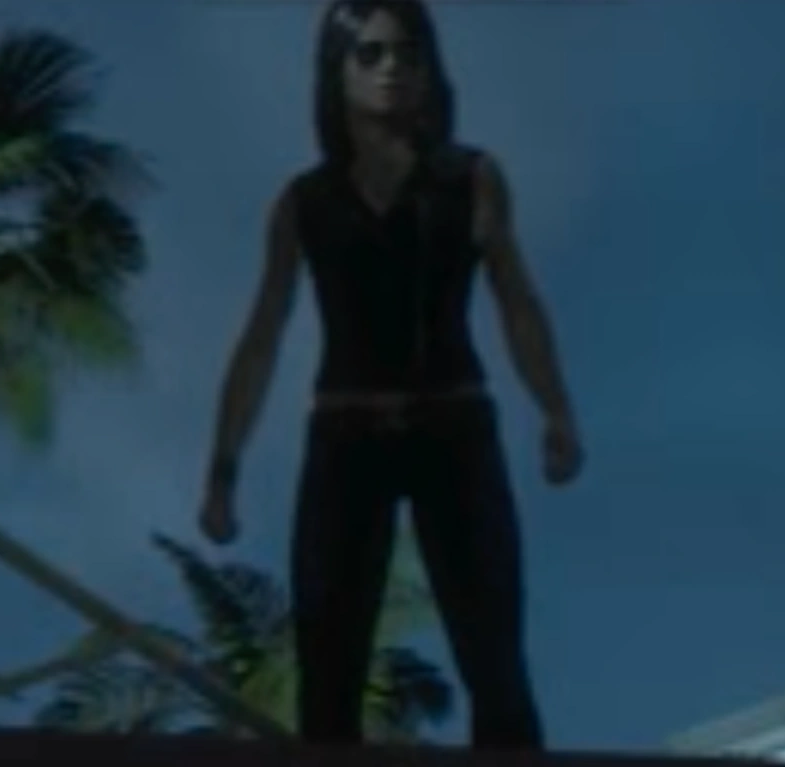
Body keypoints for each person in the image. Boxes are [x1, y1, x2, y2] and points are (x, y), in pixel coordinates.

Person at [198, 0, 584, 749]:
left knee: (495, 665)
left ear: (430, 68)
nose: (391, 69)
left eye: (407, 53)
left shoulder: (471, 178)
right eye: (369, 54)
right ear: (336, 71)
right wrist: (223, 470)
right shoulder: (304, 203)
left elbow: (516, 299)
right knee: (328, 670)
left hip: (454, 429)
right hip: (346, 437)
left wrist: (556, 410)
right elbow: (262, 336)